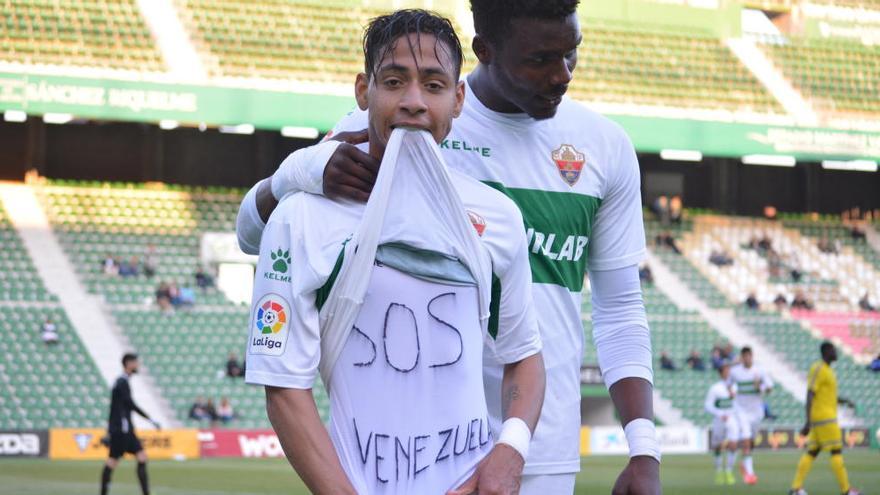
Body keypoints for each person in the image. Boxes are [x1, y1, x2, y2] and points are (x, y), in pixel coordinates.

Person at [236, 1, 660, 492]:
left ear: (453, 97)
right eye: (540, 59)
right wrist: (299, 172)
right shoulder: (392, 120)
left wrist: (643, 446)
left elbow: (621, 308)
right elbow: (258, 234)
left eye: (571, 55)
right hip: (394, 457)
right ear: (486, 51)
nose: (562, 75)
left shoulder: (604, 146)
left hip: (537, 445)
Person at [244, 11, 545, 494]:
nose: (413, 102)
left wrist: (510, 450)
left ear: (458, 98)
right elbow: (283, 388)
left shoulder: (499, 217)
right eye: (393, 81)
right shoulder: (301, 219)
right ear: (364, 91)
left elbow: (524, 356)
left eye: (433, 84)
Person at [789, 342, 861, 495]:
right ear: (827, 351)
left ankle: (796, 488)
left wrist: (844, 401)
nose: (836, 352)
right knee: (836, 451)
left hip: (822, 419)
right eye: (834, 349)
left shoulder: (828, 371)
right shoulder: (819, 368)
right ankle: (846, 490)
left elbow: (828, 396)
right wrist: (807, 421)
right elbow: (810, 394)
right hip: (825, 419)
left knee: (811, 452)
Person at [100, 353, 160, 495]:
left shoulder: (121, 381)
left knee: (141, 456)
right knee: (113, 461)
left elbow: (115, 407)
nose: (138, 365)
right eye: (136, 362)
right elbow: (130, 404)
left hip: (124, 429)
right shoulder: (122, 383)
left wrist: (109, 429)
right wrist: (149, 419)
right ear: (128, 364)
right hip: (122, 430)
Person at [728, 346, 773, 485]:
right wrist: (731, 392)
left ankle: (745, 461)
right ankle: (750, 474)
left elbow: (770, 388)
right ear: (742, 357)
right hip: (741, 410)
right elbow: (729, 385)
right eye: (744, 356)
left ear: (752, 356)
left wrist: (760, 386)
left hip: (756, 411)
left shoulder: (760, 370)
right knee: (746, 439)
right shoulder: (735, 372)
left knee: (751, 441)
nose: (747, 358)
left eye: (749, 356)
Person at [705, 362, 738, 486]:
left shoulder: (734, 387)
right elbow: (707, 405)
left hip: (732, 419)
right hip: (719, 419)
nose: (728, 372)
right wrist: (719, 414)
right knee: (718, 446)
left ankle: (729, 471)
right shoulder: (715, 388)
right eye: (726, 370)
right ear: (720, 373)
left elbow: (737, 403)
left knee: (733, 444)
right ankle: (719, 471)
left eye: (729, 370)